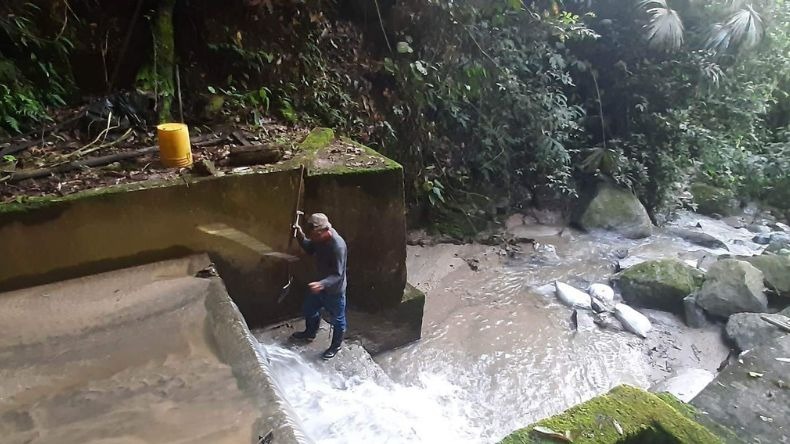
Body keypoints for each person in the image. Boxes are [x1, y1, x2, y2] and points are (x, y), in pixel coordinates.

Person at [291, 213, 348, 359]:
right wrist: (300, 236)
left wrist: (321, 284)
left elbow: (338, 274)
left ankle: (335, 346)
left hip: (334, 290)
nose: (313, 239)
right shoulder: (318, 239)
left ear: (323, 231)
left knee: (338, 320)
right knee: (308, 309)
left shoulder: (337, 246)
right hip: (320, 286)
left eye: (314, 236)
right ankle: (310, 333)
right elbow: (310, 248)